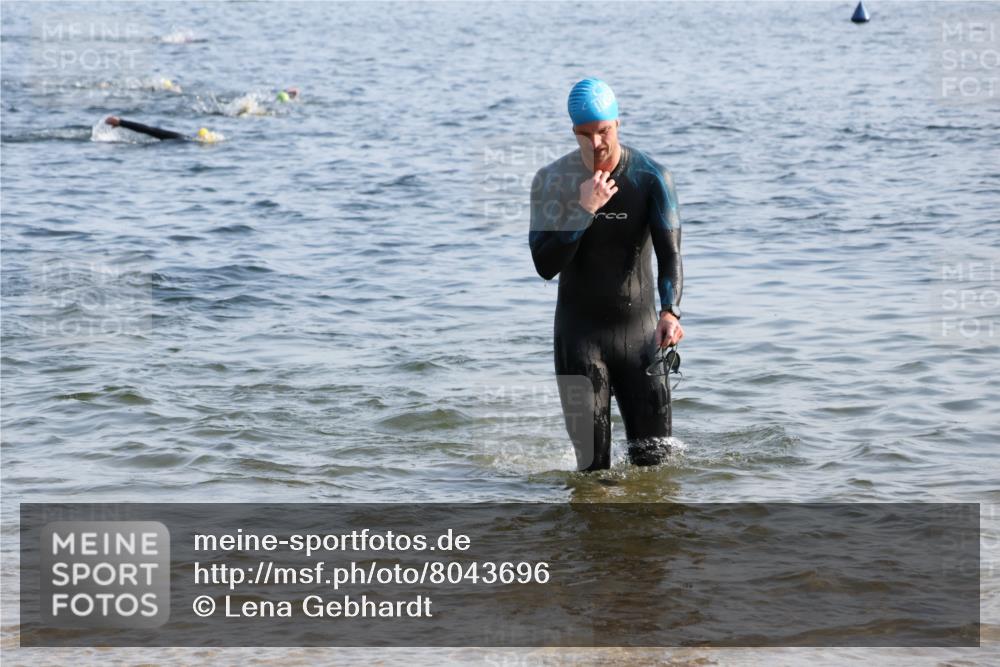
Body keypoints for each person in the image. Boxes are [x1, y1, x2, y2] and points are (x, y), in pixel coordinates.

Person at [529, 77, 684, 471]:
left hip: (641, 339)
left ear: (618, 123)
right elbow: (545, 265)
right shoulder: (552, 181)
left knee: (656, 469)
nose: (597, 143)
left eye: (604, 131)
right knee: (592, 472)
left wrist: (671, 312)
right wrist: (584, 211)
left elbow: (670, 255)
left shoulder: (651, 178)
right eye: (586, 135)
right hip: (579, 339)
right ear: (573, 132)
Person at [104, 116, 221, 143]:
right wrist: (121, 122)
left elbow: (150, 130)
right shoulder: (182, 138)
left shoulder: (184, 138)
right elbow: (150, 130)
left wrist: (121, 123)